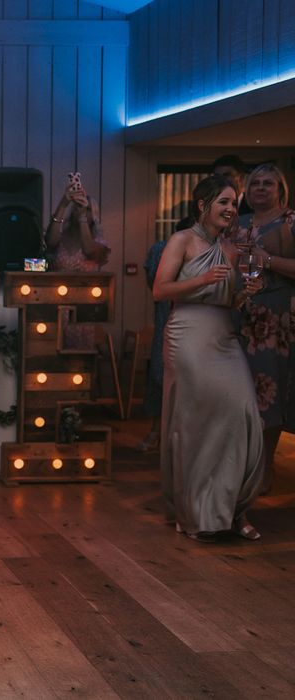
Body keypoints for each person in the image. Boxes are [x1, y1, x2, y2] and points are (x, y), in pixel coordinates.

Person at [153, 175, 265, 543]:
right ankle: (196, 513)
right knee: (196, 422)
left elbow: (228, 300)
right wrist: (201, 280)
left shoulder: (231, 249)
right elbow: (160, 290)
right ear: (203, 204)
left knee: (244, 413)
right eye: (224, 202)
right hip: (187, 335)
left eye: (234, 204)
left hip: (223, 337)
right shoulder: (182, 240)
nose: (232, 210)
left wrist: (244, 293)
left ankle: (234, 509)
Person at [234, 163, 295, 491]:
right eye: (254, 183)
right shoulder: (236, 222)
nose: (260, 188)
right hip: (238, 315)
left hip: (273, 318)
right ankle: (242, 463)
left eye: (267, 183)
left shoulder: (290, 222)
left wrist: (267, 260)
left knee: (268, 390)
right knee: (240, 389)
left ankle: (267, 462)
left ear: (280, 189)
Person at [138, 217, 193, 451]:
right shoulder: (161, 249)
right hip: (167, 318)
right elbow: (154, 285)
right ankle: (156, 430)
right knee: (161, 375)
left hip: (197, 319)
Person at [46, 180, 110, 272]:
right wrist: (63, 204)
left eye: (87, 209)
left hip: (85, 285)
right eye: (77, 206)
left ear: (93, 215)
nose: (81, 209)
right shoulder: (62, 236)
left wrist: (82, 216)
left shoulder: (97, 239)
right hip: (58, 284)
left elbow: (89, 251)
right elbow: (50, 241)